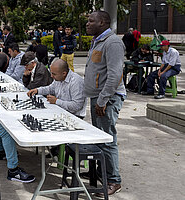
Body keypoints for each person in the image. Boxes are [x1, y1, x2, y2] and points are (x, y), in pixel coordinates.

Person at [85, 10, 126, 196]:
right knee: (100, 138)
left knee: (108, 139)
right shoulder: (98, 41)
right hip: (98, 99)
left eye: (91, 21)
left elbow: (115, 75)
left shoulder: (113, 42)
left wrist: (102, 100)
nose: (87, 23)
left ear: (102, 22)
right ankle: (102, 173)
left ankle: (114, 180)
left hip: (107, 99)